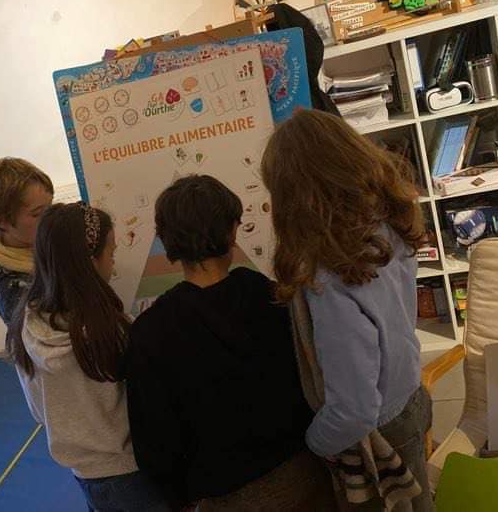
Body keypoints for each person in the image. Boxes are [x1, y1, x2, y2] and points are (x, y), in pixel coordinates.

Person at [126, 175, 337, 511]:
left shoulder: (150, 332)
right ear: (231, 232)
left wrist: (180, 498)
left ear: (167, 241)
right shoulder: (270, 296)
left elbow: (155, 441)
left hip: (223, 495)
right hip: (303, 475)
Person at [261, 109, 433, 511]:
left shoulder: (330, 280)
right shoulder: (386, 225)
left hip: (381, 434)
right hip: (410, 395)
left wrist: (316, 443)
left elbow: (355, 409)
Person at [6, 202, 171, 512]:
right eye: (111, 253)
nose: (114, 264)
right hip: (131, 470)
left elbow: (39, 412)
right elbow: (144, 405)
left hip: (85, 476)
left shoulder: (24, 328)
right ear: (90, 262)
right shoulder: (109, 331)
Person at [0, 157, 54, 325]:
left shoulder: (39, 239)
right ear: (1, 221)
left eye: (50, 207)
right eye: (37, 214)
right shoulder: (10, 290)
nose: (49, 218)